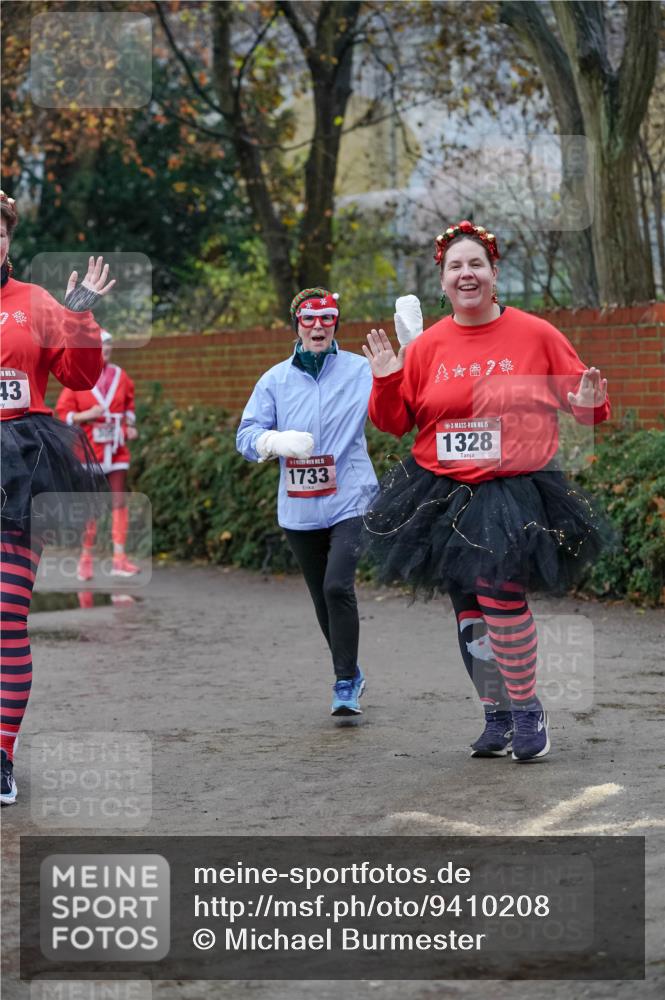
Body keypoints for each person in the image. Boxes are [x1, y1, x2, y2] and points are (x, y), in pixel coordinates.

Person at [362, 220, 610, 762]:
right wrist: (386, 377)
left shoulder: (537, 334)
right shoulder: (427, 346)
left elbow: (588, 409)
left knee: (500, 597)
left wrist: (590, 402)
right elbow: (394, 422)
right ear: (443, 281)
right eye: (455, 266)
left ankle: (526, 711)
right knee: (469, 609)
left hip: (513, 491)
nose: (466, 274)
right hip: (441, 492)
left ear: (495, 273)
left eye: (476, 264)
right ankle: (495, 714)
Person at [0, 190, 114, 805]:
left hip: (22, 467)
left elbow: (80, 376)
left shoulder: (36, 303)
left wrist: (80, 316)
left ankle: (2, 753)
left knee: (6, 613)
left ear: (8, 240)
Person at [236, 288, 378, 716]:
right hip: (299, 508)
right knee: (321, 596)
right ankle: (351, 670)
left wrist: (413, 344)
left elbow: (401, 394)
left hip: (351, 497)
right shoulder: (275, 380)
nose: (319, 327)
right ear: (297, 325)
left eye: (327, 318)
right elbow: (245, 436)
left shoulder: (360, 369)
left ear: (336, 323)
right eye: (309, 319)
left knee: (337, 586)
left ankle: (344, 681)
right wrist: (273, 441)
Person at [56, 330, 139, 579]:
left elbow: (129, 405)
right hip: (89, 450)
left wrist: (130, 426)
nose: (107, 349)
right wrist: (87, 415)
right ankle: (85, 559)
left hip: (116, 446)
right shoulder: (78, 378)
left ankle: (119, 558)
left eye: (109, 345)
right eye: (102, 346)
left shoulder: (121, 376)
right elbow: (64, 413)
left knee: (119, 501)